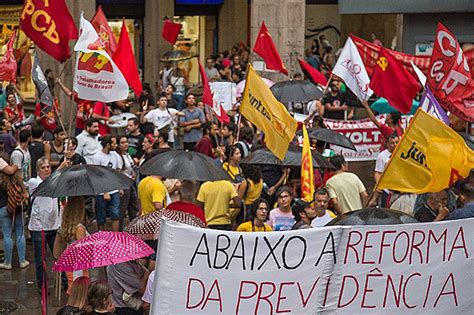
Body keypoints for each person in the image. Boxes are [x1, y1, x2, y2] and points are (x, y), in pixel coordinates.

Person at [28, 157, 62, 293]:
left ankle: (65, 283)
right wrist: (61, 167)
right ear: (38, 170)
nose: (47, 169)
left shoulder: (54, 181)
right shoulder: (34, 182)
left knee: (59, 256)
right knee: (40, 259)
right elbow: (47, 185)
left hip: (54, 226)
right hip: (39, 228)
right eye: (44, 167)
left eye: (48, 167)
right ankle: (42, 285)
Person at [53, 196, 89, 294]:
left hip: (69, 264)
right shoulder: (79, 228)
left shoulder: (64, 227)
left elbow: (56, 253)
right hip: (79, 266)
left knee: (72, 288)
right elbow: (83, 252)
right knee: (79, 292)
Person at [92, 135, 121, 231]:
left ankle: (115, 235)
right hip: (101, 190)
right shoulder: (97, 157)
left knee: (115, 213)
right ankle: (102, 235)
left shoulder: (115, 155)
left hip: (114, 188)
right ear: (108, 144)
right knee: (101, 215)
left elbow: (117, 171)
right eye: (113, 143)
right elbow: (97, 175)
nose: (115, 145)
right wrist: (105, 192)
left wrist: (119, 187)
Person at [368, 134, 400, 207]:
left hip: (400, 190)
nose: (395, 145)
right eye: (392, 143)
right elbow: (378, 172)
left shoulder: (402, 153)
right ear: (387, 144)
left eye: (397, 142)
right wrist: (379, 185)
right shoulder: (382, 156)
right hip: (387, 191)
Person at [116, 136, 139, 227]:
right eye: (122, 142)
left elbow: (130, 168)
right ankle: (120, 231)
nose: (126, 144)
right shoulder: (118, 157)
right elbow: (118, 172)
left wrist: (133, 173)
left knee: (134, 207)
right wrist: (119, 187)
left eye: (126, 142)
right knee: (122, 209)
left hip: (130, 183)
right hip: (124, 185)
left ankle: (134, 229)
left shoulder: (127, 154)